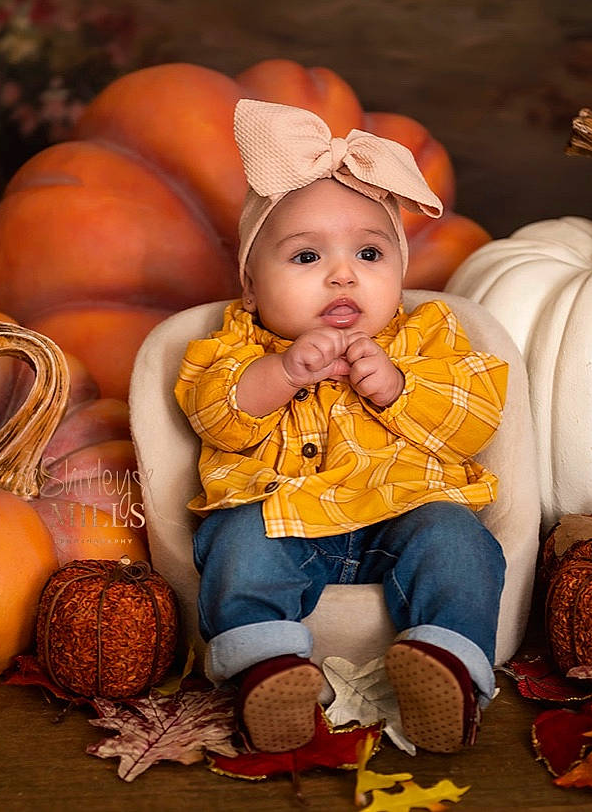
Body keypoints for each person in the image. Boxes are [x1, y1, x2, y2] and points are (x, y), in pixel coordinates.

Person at [175, 99, 507, 754]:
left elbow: (477, 416)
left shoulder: (428, 336)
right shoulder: (233, 345)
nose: (342, 273)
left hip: (405, 515)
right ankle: (265, 672)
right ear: (250, 285)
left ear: (401, 273)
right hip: (286, 518)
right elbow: (215, 415)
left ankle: (447, 667)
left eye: (369, 252)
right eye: (305, 257)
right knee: (236, 541)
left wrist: (399, 387)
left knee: (460, 541)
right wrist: (280, 373)